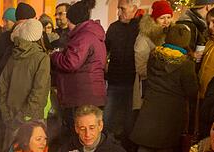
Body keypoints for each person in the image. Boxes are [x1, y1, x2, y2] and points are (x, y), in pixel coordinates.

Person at [131, 24, 199, 152]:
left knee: (145, 146)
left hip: (151, 106)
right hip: (172, 111)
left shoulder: (154, 56)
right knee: (166, 150)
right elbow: (191, 90)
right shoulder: (186, 64)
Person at [50, 0, 106, 130]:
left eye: (69, 21)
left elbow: (71, 63)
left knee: (79, 134)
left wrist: (55, 56)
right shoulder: (93, 34)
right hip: (91, 94)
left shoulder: (83, 37)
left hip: (82, 96)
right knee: (90, 133)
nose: (67, 25)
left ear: (74, 21)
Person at [0, 18, 50, 150]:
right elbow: (39, 91)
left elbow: (2, 86)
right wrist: (24, 116)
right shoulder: (42, 58)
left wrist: (6, 113)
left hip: (11, 114)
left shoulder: (13, 55)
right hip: (32, 119)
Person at [104, 0, 141, 142]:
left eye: (122, 9)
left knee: (129, 121)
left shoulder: (140, 28)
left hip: (132, 83)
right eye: (118, 9)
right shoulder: (113, 28)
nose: (119, 12)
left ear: (134, 9)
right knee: (107, 118)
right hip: (114, 81)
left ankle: (127, 150)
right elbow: (105, 50)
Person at [133, 0, 173, 112]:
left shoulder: (171, 34)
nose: (166, 21)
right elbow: (141, 67)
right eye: (162, 18)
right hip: (150, 86)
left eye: (169, 17)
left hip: (166, 87)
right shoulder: (144, 38)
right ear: (155, 19)